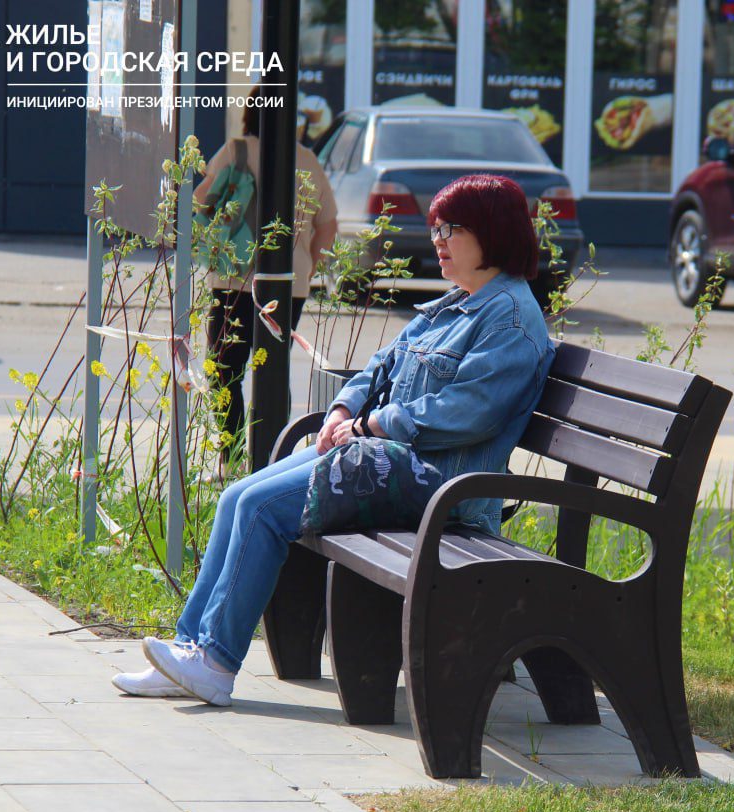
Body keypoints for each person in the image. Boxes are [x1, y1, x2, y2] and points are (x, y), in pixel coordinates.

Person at [113, 174, 556, 704]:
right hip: (395, 466)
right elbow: (381, 363)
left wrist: (371, 424)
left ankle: (215, 662)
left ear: (493, 232)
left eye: (452, 228)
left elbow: (469, 413)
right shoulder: (458, 302)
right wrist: (344, 407)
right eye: (436, 227)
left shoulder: (510, 318)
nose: (437, 238)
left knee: (260, 507)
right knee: (237, 497)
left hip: (442, 489)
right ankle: (190, 648)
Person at [193, 86, 338, 462]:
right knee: (273, 369)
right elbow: (328, 224)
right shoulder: (307, 159)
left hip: (234, 279)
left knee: (224, 367)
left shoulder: (236, 151)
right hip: (291, 282)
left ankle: (233, 454)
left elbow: (201, 202)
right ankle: (273, 454)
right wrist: (308, 261)